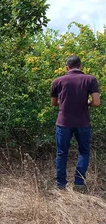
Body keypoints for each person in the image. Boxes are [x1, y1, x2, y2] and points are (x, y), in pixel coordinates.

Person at [50, 55, 100, 191]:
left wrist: (67, 103)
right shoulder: (90, 79)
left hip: (63, 122)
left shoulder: (57, 81)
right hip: (83, 122)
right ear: (81, 66)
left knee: (61, 153)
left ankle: (60, 185)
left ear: (67, 67)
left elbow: (54, 103)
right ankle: (78, 183)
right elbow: (96, 102)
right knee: (83, 152)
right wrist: (87, 103)